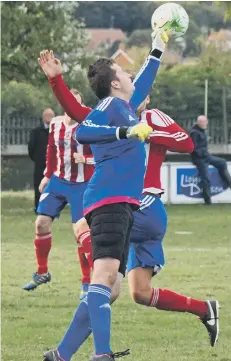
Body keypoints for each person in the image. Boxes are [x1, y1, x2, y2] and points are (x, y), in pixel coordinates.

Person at [42, 87, 219, 361]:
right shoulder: (116, 116)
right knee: (136, 292)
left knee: (83, 231)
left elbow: (187, 143)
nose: (138, 96)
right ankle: (204, 309)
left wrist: (148, 131)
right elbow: (83, 120)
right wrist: (57, 82)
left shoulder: (153, 116)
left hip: (144, 204)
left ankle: (68, 351)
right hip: (136, 209)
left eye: (143, 92)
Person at [42, 29, 168, 361]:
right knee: (104, 278)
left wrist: (157, 49)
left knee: (108, 288)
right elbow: (82, 131)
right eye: (125, 72)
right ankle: (101, 355)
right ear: (114, 83)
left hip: (119, 202)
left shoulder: (124, 105)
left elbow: (143, 81)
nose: (130, 75)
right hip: (109, 200)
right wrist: (125, 131)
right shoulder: (113, 105)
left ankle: (61, 354)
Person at [23, 90, 94, 300]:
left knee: (80, 233)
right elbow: (51, 150)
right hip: (58, 180)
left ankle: (87, 282)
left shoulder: (90, 122)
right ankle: (42, 272)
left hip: (82, 184)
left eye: (77, 103)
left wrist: (87, 158)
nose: (74, 106)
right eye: (69, 102)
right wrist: (46, 175)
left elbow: (105, 149)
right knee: (41, 223)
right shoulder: (55, 123)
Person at [190, 115, 231, 204]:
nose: (204, 124)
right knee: (205, 178)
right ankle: (207, 200)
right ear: (198, 122)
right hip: (199, 158)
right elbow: (194, 148)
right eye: (202, 122)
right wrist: (205, 153)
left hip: (206, 156)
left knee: (222, 163)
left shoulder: (203, 131)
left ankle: (228, 183)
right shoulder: (194, 133)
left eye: (205, 122)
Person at [28, 108, 55, 211]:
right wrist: (38, 159)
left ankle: (51, 208)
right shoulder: (36, 131)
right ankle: (38, 208)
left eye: (51, 115)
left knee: (52, 187)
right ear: (43, 117)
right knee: (39, 185)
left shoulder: (57, 130)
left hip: (54, 164)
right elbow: (31, 148)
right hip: (40, 164)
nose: (49, 117)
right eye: (47, 115)